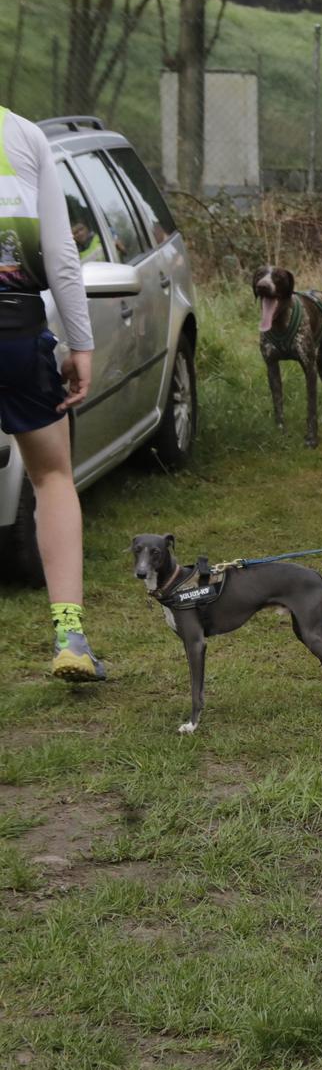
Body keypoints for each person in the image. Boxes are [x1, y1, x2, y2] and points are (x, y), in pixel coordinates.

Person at [0, 105, 101, 681]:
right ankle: (70, 638)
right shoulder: (21, 134)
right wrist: (80, 344)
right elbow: (61, 256)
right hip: (14, 330)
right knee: (52, 477)